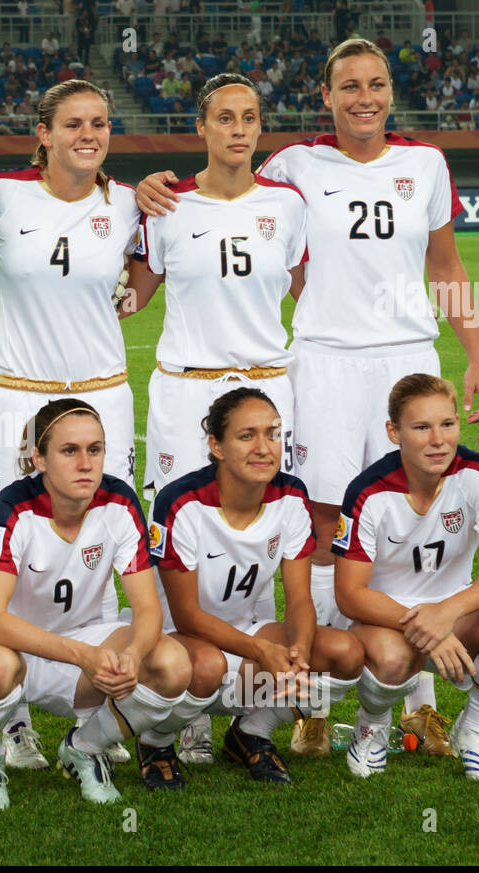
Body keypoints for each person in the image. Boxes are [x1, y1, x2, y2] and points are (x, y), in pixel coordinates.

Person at [135, 38, 479, 752]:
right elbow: (238, 208)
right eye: (349, 86)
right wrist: (147, 189)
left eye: (377, 84)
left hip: (407, 359)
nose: (365, 97)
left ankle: (413, 696)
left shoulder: (424, 164)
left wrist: (475, 352)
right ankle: (318, 702)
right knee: (327, 519)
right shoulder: (293, 166)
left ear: (392, 92)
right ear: (325, 97)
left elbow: (448, 263)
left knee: (408, 515)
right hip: (324, 363)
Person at [123, 73, 306, 765]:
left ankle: (255, 708)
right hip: (185, 393)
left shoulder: (288, 207)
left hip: (265, 391)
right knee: (179, 537)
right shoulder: (167, 205)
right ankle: (185, 702)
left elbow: (303, 290)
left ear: (261, 129)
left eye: (250, 117)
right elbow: (134, 294)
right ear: (200, 127)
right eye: (224, 117)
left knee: (260, 537)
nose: (238, 129)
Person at [0, 79, 141, 771]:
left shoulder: (132, 203)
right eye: (73, 122)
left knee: (104, 543)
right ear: (42, 132)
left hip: (102, 395)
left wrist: (121, 303)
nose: (88, 134)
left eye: (100, 123)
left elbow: (143, 277)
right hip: (14, 396)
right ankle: (11, 719)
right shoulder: (0, 198)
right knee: (8, 550)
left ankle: (93, 705)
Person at [0, 399, 191, 808]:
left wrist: (132, 654)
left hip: (79, 638)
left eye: (94, 450)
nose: (85, 463)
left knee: (170, 663)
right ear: (39, 458)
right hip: (7, 643)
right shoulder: (14, 506)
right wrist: (83, 656)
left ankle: (84, 746)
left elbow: (148, 608)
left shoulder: (120, 503)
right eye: (69, 451)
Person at [150, 388, 363, 784]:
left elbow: (299, 598)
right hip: (177, 643)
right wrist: (262, 651)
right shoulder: (181, 502)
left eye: (273, 433)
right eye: (247, 436)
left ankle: (251, 733)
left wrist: (298, 651)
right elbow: (186, 615)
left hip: (247, 634)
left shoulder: (291, 495)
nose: (264, 447)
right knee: (207, 665)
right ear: (216, 445)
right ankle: (156, 740)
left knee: (343, 652)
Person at [335, 375, 479, 781]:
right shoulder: (368, 491)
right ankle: (371, 727)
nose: (438, 440)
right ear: (394, 432)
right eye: (421, 427)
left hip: (455, 617)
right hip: (383, 622)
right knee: (393, 658)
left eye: (448, 424)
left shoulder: (478, 473)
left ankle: (474, 729)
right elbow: (350, 594)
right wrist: (427, 625)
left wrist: (445, 614)